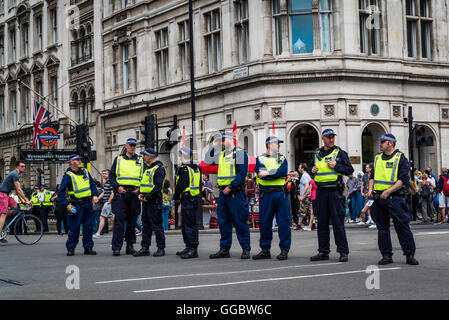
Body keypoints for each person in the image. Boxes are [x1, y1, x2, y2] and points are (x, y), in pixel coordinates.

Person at [367, 133, 419, 265]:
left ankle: (409, 254)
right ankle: (386, 255)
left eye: (383, 142)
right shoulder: (377, 158)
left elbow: (403, 180)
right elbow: (372, 176)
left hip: (394, 197)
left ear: (390, 143)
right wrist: (370, 190)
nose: (380, 144)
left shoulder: (400, 158)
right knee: (382, 228)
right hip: (379, 198)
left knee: (402, 226)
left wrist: (388, 191)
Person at [309, 129, 353, 262]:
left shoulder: (339, 152)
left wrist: (336, 165)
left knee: (338, 223)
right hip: (321, 192)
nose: (331, 140)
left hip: (335, 192)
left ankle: (343, 252)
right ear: (323, 138)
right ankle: (323, 251)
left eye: (333, 137)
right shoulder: (317, 153)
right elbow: (311, 170)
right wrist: (312, 170)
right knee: (321, 224)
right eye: (329, 137)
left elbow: (349, 170)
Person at [210, 132, 251, 260]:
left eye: (223, 140)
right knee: (223, 222)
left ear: (230, 140)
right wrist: (213, 146)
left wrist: (231, 187)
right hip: (223, 193)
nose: (221, 143)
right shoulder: (221, 154)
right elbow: (209, 159)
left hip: (235, 192)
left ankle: (245, 249)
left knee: (239, 221)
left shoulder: (238, 153)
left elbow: (242, 173)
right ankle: (224, 249)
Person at [253, 136, 291, 261]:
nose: (278, 146)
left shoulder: (282, 158)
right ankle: (265, 250)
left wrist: (268, 173)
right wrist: (271, 174)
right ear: (269, 145)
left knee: (284, 223)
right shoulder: (260, 159)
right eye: (276, 143)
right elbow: (261, 175)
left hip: (280, 194)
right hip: (266, 194)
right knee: (264, 223)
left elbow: (283, 172)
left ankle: (284, 250)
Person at [58, 155, 99, 256]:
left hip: (88, 203)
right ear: (71, 162)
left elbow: (92, 184)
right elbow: (61, 193)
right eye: (77, 160)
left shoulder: (85, 171)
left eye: (80, 159)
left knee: (89, 227)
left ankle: (88, 247)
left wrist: (94, 195)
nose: (80, 161)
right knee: (74, 228)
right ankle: (71, 247)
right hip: (76, 204)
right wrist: (67, 205)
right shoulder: (68, 175)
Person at [109, 138, 144, 256]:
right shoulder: (118, 159)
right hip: (121, 193)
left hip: (134, 194)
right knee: (119, 221)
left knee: (132, 222)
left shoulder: (140, 160)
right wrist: (117, 187)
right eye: (130, 145)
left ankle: (130, 245)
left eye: (134, 145)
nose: (133, 147)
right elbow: (112, 176)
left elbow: (144, 177)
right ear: (126, 146)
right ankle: (116, 247)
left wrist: (140, 189)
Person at [133, 148, 167, 257]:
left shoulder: (159, 169)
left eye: (144, 155)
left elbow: (158, 186)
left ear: (150, 156)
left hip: (154, 201)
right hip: (147, 201)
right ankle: (145, 248)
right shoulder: (148, 168)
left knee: (156, 225)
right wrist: (141, 193)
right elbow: (145, 185)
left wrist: (148, 196)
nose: (143, 157)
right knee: (146, 226)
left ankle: (161, 248)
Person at [174, 147, 202, 259]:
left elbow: (181, 185)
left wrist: (176, 197)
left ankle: (193, 249)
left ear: (182, 155)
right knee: (188, 224)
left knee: (189, 225)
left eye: (180, 154)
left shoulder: (184, 168)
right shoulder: (196, 167)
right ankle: (189, 246)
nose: (179, 155)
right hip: (193, 198)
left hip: (187, 199)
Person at [0, 161, 32, 243]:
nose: (24, 168)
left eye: (24, 166)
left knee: (16, 208)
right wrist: (27, 200)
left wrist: (22, 201)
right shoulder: (14, 174)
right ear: (17, 166)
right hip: (2, 194)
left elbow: (17, 191)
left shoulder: (16, 175)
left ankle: (2, 218)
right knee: (4, 214)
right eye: (22, 166)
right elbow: (18, 189)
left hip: (7, 195)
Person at [93, 170, 115, 238]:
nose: (104, 175)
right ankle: (121, 231)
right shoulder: (106, 183)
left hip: (108, 203)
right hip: (107, 202)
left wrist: (109, 201)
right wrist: (97, 199)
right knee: (113, 218)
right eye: (103, 174)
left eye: (105, 174)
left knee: (102, 217)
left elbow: (112, 193)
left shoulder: (110, 182)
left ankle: (98, 233)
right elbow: (104, 193)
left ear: (109, 174)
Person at [297, 163, 312, 230]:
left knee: (302, 210)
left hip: (306, 196)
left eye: (299, 167)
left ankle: (299, 225)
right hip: (309, 195)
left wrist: (302, 195)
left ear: (302, 168)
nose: (298, 169)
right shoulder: (307, 175)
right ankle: (313, 225)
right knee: (310, 210)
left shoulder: (304, 176)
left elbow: (306, 186)